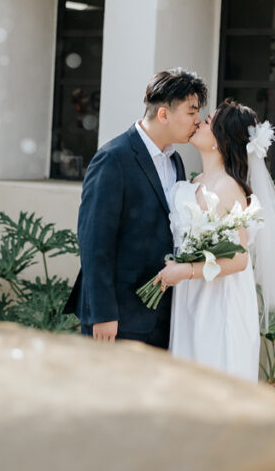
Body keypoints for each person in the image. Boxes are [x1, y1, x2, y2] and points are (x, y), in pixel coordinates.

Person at [156, 99, 275, 381]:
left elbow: (238, 259)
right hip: (192, 295)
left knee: (214, 379)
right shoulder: (196, 181)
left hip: (219, 300)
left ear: (221, 139)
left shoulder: (229, 188)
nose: (199, 122)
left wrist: (185, 270)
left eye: (208, 122)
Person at [65, 68, 208, 348]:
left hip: (163, 315)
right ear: (164, 114)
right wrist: (103, 313)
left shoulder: (175, 161)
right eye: (191, 112)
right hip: (118, 316)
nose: (198, 120)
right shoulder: (112, 159)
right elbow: (95, 242)